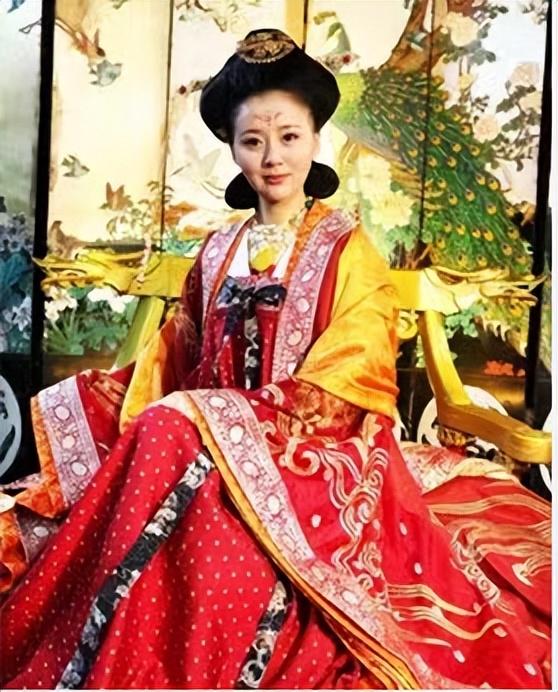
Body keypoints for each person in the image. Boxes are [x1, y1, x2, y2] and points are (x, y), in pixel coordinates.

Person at [0, 29, 551, 690]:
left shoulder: (349, 251)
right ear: (232, 148)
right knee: (148, 437)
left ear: (315, 138)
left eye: (289, 136)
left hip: (314, 457)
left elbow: (348, 384)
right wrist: (110, 403)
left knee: (173, 428)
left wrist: (223, 423)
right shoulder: (216, 251)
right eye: (253, 141)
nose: (272, 157)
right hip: (201, 453)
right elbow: (170, 364)